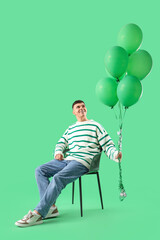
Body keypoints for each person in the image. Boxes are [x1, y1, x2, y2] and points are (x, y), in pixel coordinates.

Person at [15, 100, 122, 227]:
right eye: (78, 107)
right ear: (73, 112)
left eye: (83, 106)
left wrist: (115, 155)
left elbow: (107, 144)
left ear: (86, 109)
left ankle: (38, 213)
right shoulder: (71, 128)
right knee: (40, 170)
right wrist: (58, 152)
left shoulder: (96, 126)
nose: (81, 108)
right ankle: (51, 208)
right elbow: (61, 142)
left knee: (58, 177)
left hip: (83, 162)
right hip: (67, 160)